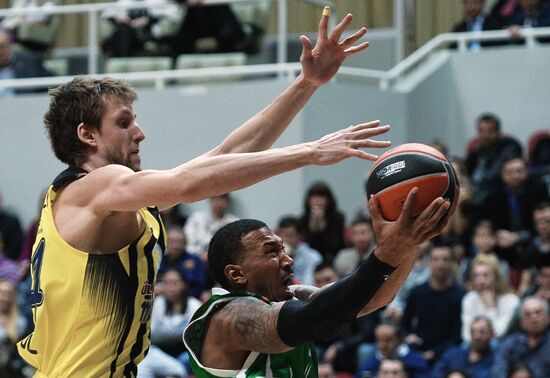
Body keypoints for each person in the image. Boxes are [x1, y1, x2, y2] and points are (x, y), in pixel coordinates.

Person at [15, 8, 387, 376]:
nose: (140, 133)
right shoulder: (90, 188)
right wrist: (310, 152)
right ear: (87, 134)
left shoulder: (112, 203)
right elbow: (192, 184)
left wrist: (306, 84)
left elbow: (226, 158)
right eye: (124, 123)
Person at [183, 183, 450, 377]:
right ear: (236, 274)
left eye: (284, 248)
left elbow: (375, 297)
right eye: (271, 252)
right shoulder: (228, 315)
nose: (288, 261)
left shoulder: (290, 299)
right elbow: (317, 319)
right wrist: (384, 255)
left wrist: (411, 240)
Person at [401, 243, 465, 364]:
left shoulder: (461, 295)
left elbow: (458, 335)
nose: (440, 264)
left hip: (448, 352)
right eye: (436, 259)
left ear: (452, 263)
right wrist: (409, 336)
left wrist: (435, 353)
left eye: (445, 260)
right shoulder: (417, 292)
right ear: (429, 263)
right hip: (418, 348)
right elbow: (405, 324)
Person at [461, 254, 520, 342]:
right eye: (476, 276)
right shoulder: (470, 298)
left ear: (496, 277)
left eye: (485, 275)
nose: (481, 281)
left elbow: (498, 333)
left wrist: (490, 308)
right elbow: (466, 335)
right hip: (473, 346)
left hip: (502, 346)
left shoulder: (511, 300)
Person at [492, 297, 550, 378]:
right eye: (528, 314)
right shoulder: (509, 343)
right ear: (522, 322)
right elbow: (498, 371)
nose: (534, 318)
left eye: (538, 313)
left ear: (548, 318)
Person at [358, 321, 429, 378]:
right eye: (379, 340)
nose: (382, 345)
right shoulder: (372, 360)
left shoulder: (416, 361)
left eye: (388, 340)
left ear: (400, 340)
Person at [432, 316, 496, 378]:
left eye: (482, 332)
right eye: (473, 332)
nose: (477, 337)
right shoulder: (453, 354)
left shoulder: (495, 362)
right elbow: (436, 374)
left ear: (492, 334)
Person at [298, 181, 347, 262]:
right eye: (314, 197)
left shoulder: (338, 218)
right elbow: (305, 246)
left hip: (333, 258)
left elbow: (335, 245)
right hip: (309, 260)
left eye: (321, 197)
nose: (317, 201)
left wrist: (322, 225)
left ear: (328, 200)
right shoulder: (302, 220)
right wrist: (313, 224)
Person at [0, 29, 52, 97]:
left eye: (2, 47)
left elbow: (52, 83)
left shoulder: (30, 62)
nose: (0, 52)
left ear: (9, 46)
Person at [158, 225, 206, 298]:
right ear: (166, 243)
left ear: (186, 243)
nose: (176, 245)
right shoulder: (160, 260)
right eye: (172, 241)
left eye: (180, 242)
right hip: (162, 298)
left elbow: (200, 285)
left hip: (188, 298)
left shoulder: (194, 260)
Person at [276, 215, 322, 286]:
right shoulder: (275, 255)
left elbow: (309, 285)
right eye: (282, 236)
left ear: (299, 236)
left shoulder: (312, 256)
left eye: (290, 236)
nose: (285, 240)